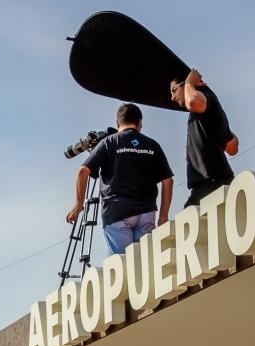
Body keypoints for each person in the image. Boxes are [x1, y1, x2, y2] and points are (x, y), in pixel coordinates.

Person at [68, 103, 174, 255]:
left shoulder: (109, 142)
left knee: (123, 263)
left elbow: (83, 171)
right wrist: (163, 216)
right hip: (146, 212)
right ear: (140, 122)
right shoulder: (152, 145)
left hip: (117, 212)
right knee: (145, 261)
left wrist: (79, 204)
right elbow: (168, 180)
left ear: (117, 123)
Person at [169, 69, 239, 208]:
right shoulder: (210, 110)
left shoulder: (205, 98)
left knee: (190, 218)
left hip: (211, 183)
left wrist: (189, 82)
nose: (172, 97)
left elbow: (193, 102)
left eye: (174, 90)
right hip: (211, 182)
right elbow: (233, 148)